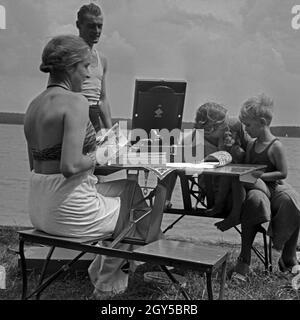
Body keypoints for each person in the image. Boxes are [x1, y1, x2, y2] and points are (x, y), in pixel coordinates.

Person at [24, 34, 166, 298]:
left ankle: (111, 271)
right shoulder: (76, 102)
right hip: (69, 213)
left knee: (131, 189)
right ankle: (108, 285)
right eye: (86, 67)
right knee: (142, 212)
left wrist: (92, 157)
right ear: (72, 66)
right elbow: (69, 165)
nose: (89, 75)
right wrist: (104, 153)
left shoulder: (34, 105)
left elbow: (37, 164)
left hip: (39, 207)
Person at [232, 94, 300, 280]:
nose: (246, 129)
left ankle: (288, 256)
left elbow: (282, 173)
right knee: (254, 201)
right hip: (256, 188)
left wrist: (260, 175)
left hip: (272, 186)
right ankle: (244, 259)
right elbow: (246, 167)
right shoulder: (253, 144)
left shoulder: (275, 146)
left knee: (291, 200)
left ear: (262, 122)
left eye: (249, 125)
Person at [76, 3, 112, 132]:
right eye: (91, 26)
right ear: (78, 25)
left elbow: (102, 99)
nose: (96, 31)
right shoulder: (69, 55)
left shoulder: (102, 59)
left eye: (99, 26)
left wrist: (111, 133)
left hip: (94, 116)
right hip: (74, 114)